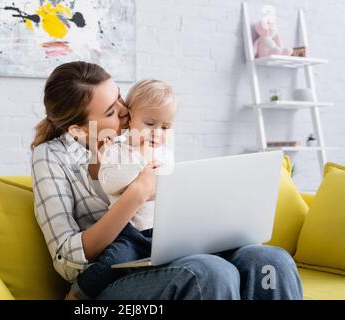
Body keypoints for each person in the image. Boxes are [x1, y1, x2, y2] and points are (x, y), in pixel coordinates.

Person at [31, 61, 303, 300]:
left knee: (270, 260)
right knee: (209, 273)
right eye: (110, 112)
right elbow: (65, 258)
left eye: (119, 98)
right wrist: (137, 192)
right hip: (115, 273)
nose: (125, 111)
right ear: (78, 128)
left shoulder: (141, 137)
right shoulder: (51, 157)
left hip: (167, 252)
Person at [67, 79, 177, 299]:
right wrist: (140, 160)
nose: (157, 133)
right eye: (149, 123)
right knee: (113, 262)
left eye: (165, 127)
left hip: (162, 231)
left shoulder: (166, 154)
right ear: (130, 118)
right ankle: (78, 294)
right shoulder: (116, 150)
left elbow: (170, 187)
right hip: (129, 232)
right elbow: (111, 181)